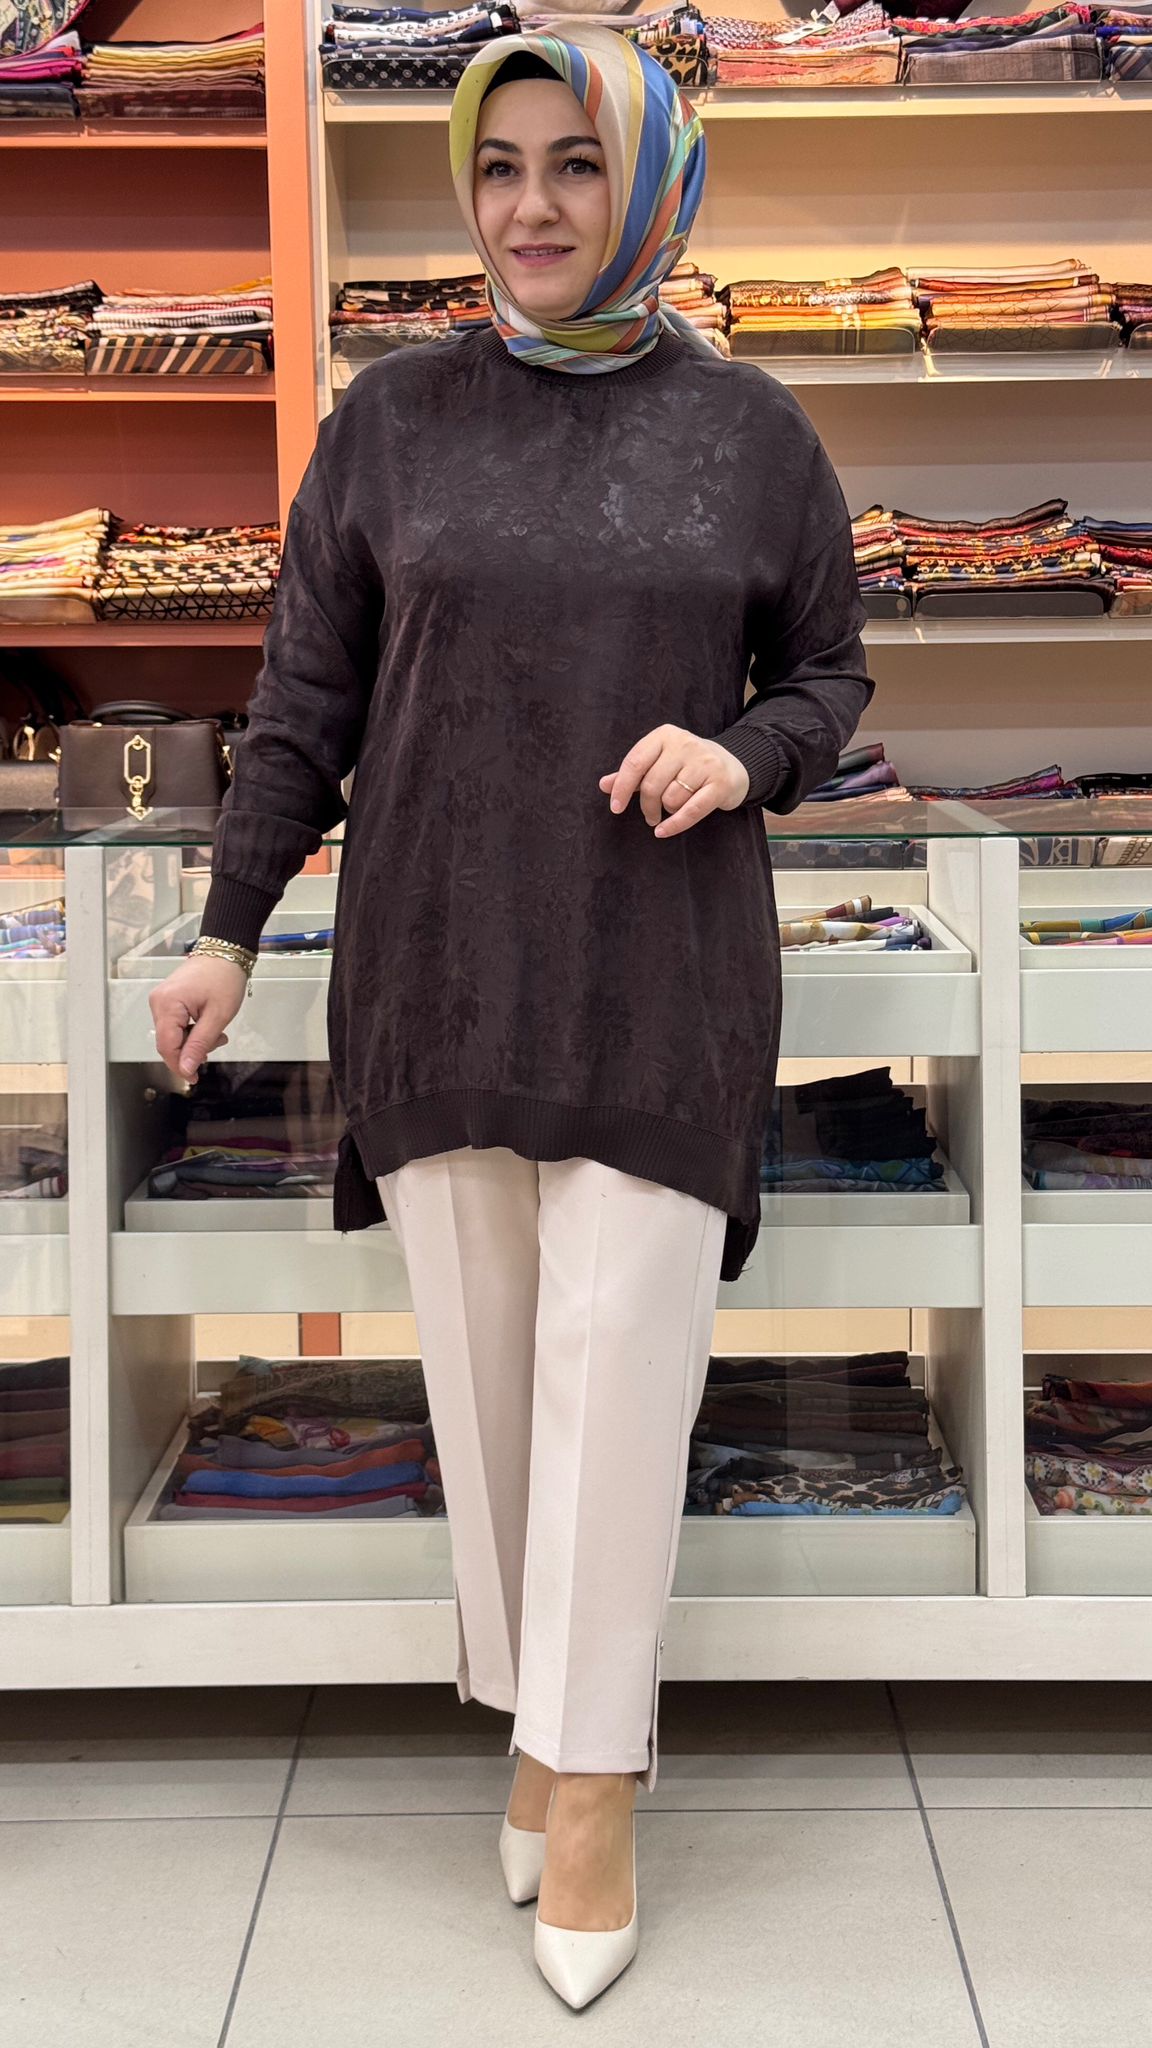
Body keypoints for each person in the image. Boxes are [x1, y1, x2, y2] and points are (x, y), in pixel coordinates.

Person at [149, 24, 873, 2011]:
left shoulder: (752, 434)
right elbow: (304, 704)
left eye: (576, 163)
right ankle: (543, 1730)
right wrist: (225, 933)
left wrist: (741, 755)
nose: (533, 206)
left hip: (658, 974)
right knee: (489, 1397)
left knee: (620, 1377)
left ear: (650, 185)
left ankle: (597, 1784)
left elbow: (829, 675)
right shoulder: (390, 421)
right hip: (439, 960)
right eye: (501, 166)